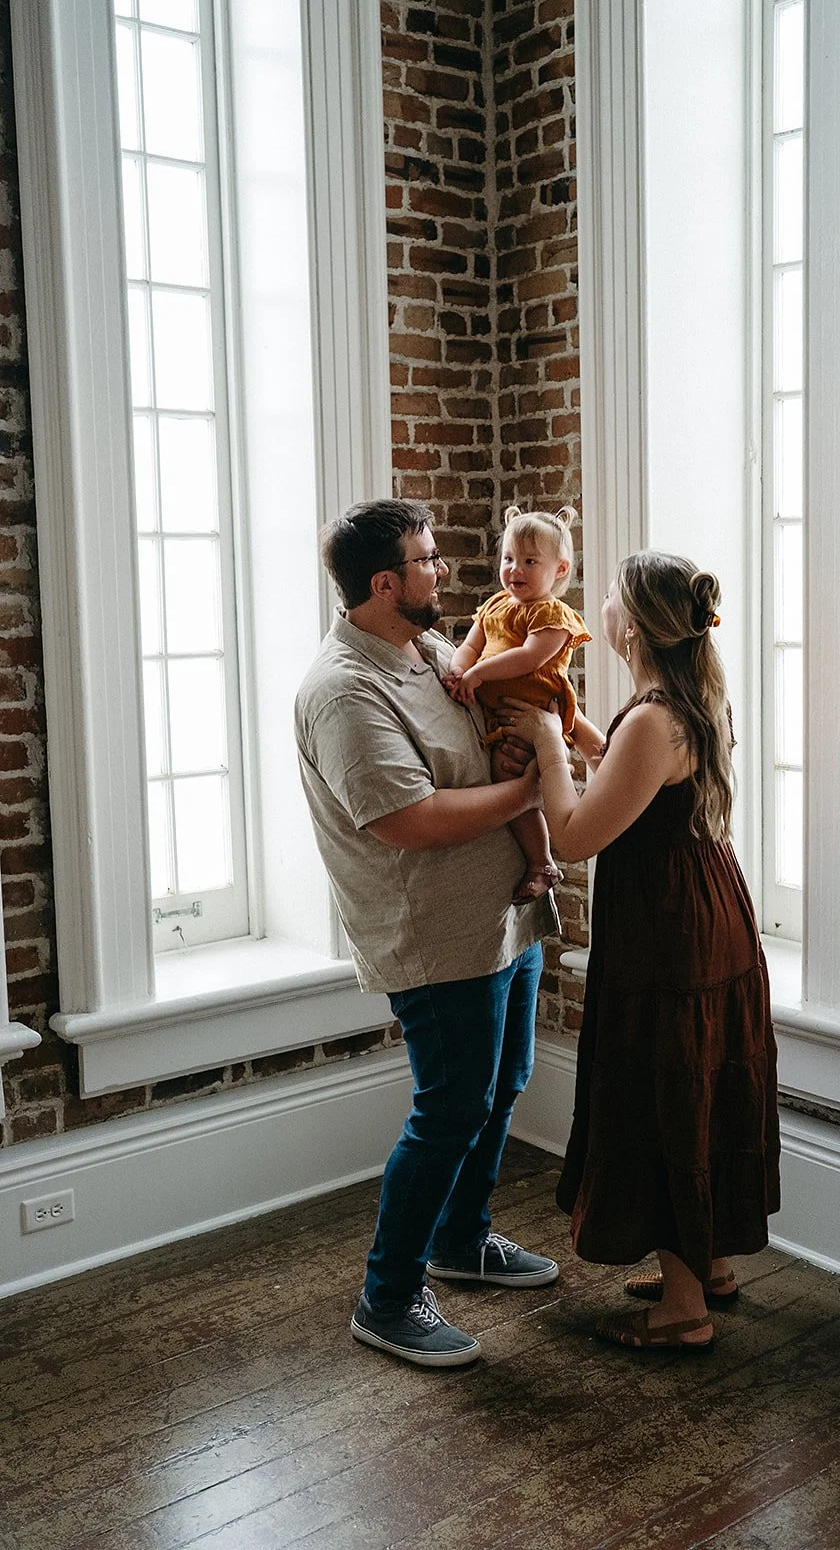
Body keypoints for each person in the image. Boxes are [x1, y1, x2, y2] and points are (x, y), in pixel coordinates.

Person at [295, 499, 560, 1370]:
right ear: (385, 582)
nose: (443, 570)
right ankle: (387, 1294)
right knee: (448, 1109)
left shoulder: (432, 650)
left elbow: (483, 738)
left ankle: (461, 1240)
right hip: (433, 935)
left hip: (501, 918)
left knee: (502, 1083)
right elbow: (409, 820)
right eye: (428, 559)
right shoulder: (343, 689)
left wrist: (522, 756)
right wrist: (529, 794)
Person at [510, 550, 781, 1351]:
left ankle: (682, 1311)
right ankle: (712, 1266)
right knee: (702, 1085)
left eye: (609, 601)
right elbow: (630, 776)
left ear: (631, 626)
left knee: (664, 1097)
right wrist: (574, 731)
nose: (599, 608)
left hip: (665, 929)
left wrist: (545, 746)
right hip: (711, 908)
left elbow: (576, 831)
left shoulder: (653, 719)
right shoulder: (695, 700)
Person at [444, 506, 591, 901]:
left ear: (559, 570)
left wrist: (479, 674)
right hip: (503, 718)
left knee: (512, 781)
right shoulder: (495, 606)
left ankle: (541, 861)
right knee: (501, 780)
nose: (515, 570)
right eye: (508, 559)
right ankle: (533, 860)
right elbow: (471, 646)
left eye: (529, 561)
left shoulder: (552, 614)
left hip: (535, 718)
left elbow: (529, 657)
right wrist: (459, 669)